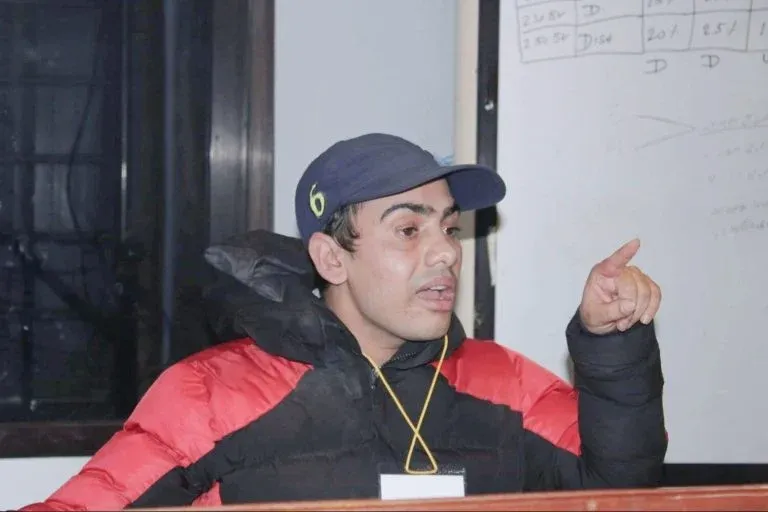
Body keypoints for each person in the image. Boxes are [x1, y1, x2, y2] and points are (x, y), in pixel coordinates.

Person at [22, 133, 667, 510]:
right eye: (409, 230)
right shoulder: (213, 394)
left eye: (449, 229)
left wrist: (612, 346)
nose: (446, 253)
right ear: (332, 258)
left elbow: (621, 491)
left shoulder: (505, 383)